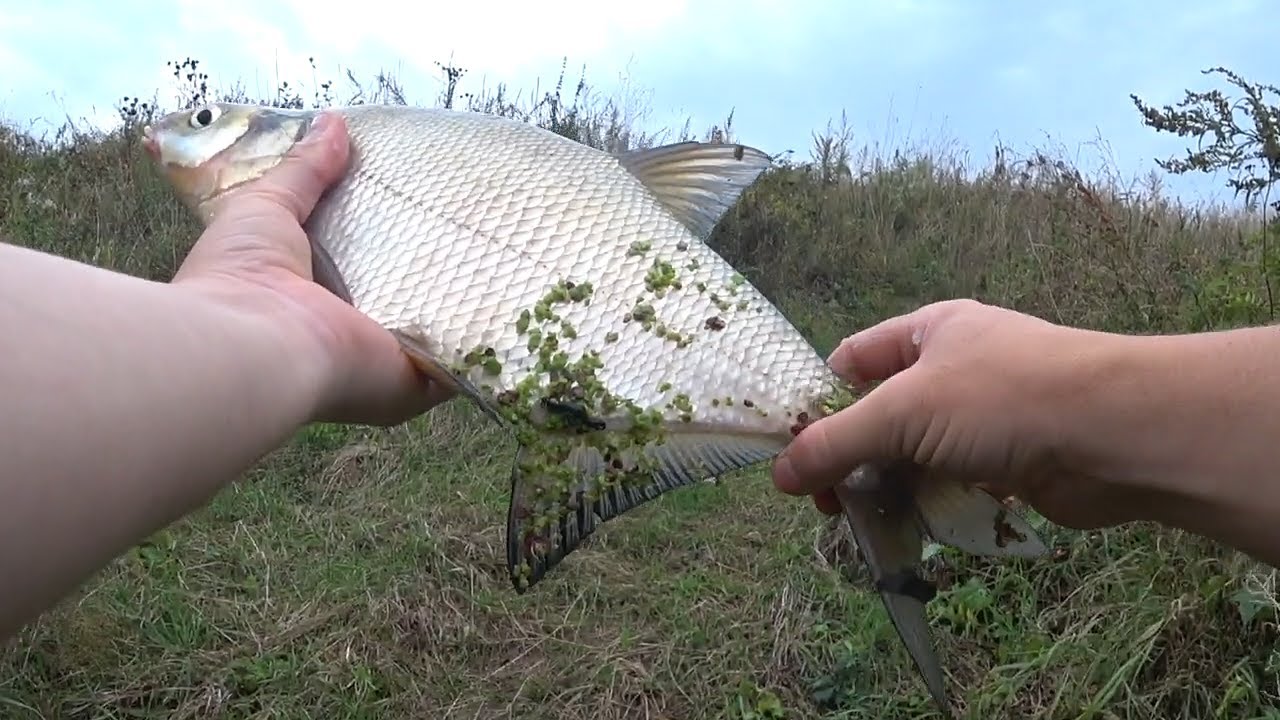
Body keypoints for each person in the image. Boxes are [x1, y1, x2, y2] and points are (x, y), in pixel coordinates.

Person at [1, 113, 1276, 641]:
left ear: (283, 140)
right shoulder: (358, 158)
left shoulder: (358, 135)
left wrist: (234, 326)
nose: (195, 130)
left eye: (227, 116)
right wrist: (251, 319)